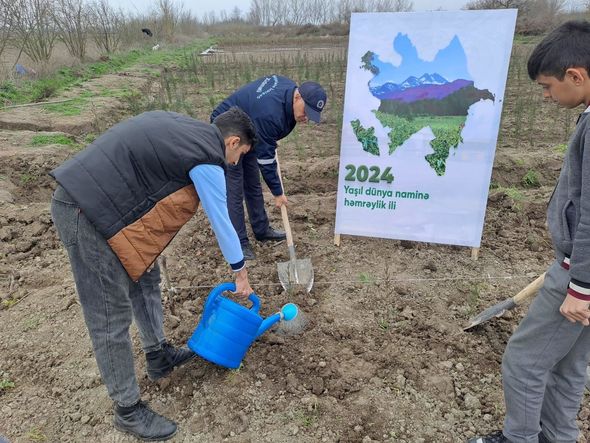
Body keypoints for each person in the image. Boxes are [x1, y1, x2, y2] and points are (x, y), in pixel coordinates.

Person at [50, 107, 257, 441]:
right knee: (109, 313)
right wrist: (240, 273)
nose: (234, 164)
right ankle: (127, 410)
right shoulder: (208, 155)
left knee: (146, 275)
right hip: (83, 210)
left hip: (108, 206)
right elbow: (221, 219)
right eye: (239, 155)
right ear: (232, 142)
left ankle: (158, 355)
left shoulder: (188, 132)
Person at [468, 20, 590, 443]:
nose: (545, 95)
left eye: (547, 86)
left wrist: (581, 285)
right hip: (581, 271)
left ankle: (519, 438)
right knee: (569, 366)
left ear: (576, 76)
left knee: (522, 361)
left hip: (579, 274)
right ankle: (558, 437)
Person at [211, 74, 327, 260]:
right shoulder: (270, 115)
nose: (307, 118)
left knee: (252, 182)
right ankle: (239, 242)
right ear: (297, 97)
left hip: (250, 126)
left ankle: (261, 229)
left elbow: (265, 138)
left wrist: (268, 139)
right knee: (235, 186)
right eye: (306, 111)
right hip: (227, 130)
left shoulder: (289, 92)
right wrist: (278, 192)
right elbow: (266, 160)